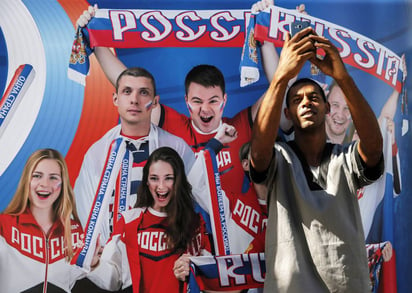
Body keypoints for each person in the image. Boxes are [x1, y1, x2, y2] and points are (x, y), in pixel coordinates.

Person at [76, 3, 279, 197]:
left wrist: (267, 36)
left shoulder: (241, 126)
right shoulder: (175, 128)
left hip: (235, 230)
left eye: (213, 101)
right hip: (183, 230)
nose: (205, 109)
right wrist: (95, 38)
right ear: (186, 101)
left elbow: (281, 86)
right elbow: (131, 85)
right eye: (197, 101)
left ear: (224, 100)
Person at [249, 24, 384, 292]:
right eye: (297, 99)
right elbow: (259, 153)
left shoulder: (345, 158)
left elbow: (374, 147)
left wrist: (342, 77)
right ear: (286, 113)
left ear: (325, 107)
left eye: (314, 97)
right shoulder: (278, 158)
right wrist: (281, 77)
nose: (307, 102)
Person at [87, 147, 211, 292]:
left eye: (168, 178)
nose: (161, 186)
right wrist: (94, 264)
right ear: (146, 181)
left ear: (178, 180)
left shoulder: (195, 222)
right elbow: (114, 280)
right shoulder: (129, 220)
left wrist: (194, 269)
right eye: (154, 178)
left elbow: (209, 280)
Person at [0, 148, 95, 292]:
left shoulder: (76, 232)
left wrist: (94, 264)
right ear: (27, 180)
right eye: (37, 176)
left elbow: (79, 281)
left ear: (62, 184)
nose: (45, 184)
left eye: (53, 178)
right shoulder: (4, 226)